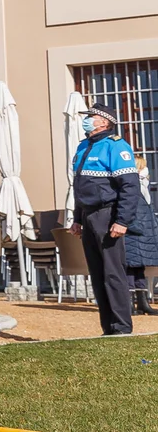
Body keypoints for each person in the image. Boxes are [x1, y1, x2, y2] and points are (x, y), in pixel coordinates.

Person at [68, 102, 143, 335]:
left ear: (104, 121)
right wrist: (77, 218)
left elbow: (130, 187)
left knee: (113, 272)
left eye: (90, 116)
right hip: (89, 215)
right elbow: (81, 187)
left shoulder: (116, 146)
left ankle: (122, 326)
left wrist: (122, 221)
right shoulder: (83, 147)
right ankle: (107, 327)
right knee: (97, 273)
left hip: (107, 215)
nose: (86, 119)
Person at [124, 161, 157, 317]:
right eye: (143, 167)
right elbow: (127, 209)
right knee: (130, 267)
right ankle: (129, 304)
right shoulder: (131, 186)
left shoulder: (144, 187)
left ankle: (143, 303)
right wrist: (138, 227)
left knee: (139, 268)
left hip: (144, 235)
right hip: (132, 234)